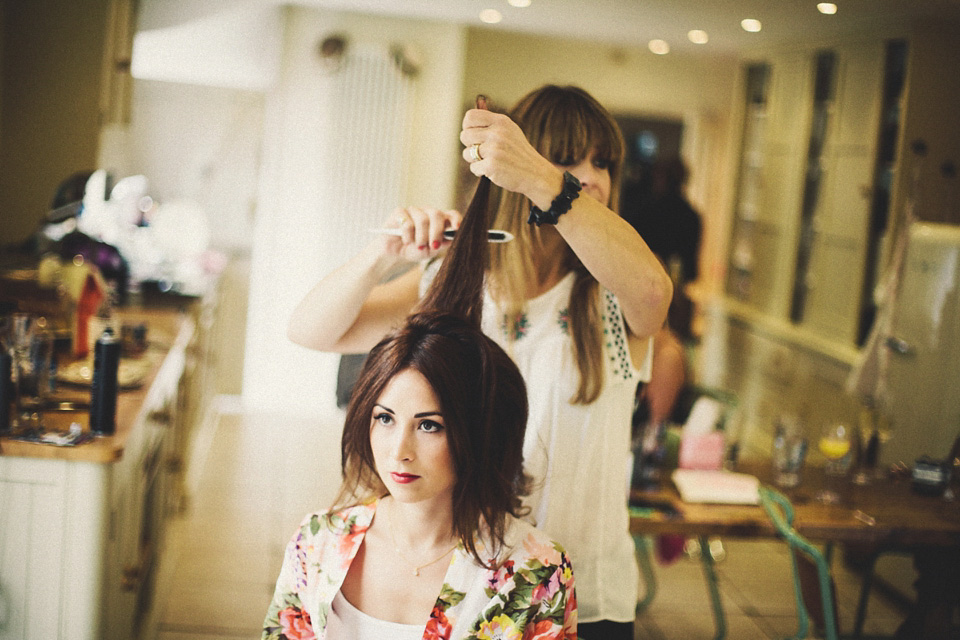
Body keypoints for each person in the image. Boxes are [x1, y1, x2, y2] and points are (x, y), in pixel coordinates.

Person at [287, 85, 673, 638]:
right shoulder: (458, 284)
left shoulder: (613, 297)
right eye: (567, 158)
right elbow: (310, 330)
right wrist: (384, 255)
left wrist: (544, 178)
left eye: (602, 163)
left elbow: (655, 292)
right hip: (470, 587)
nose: (590, 177)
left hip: (588, 597)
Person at [264, 175, 577, 639]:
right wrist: (384, 253)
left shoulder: (534, 572)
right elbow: (306, 328)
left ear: (476, 430)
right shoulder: (319, 543)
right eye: (385, 418)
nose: (399, 451)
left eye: (430, 426)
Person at [625, 157, 703, 340]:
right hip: (673, 287)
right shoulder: (691, 216)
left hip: (647, 285)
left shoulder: (646, 211)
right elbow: (691, 268)